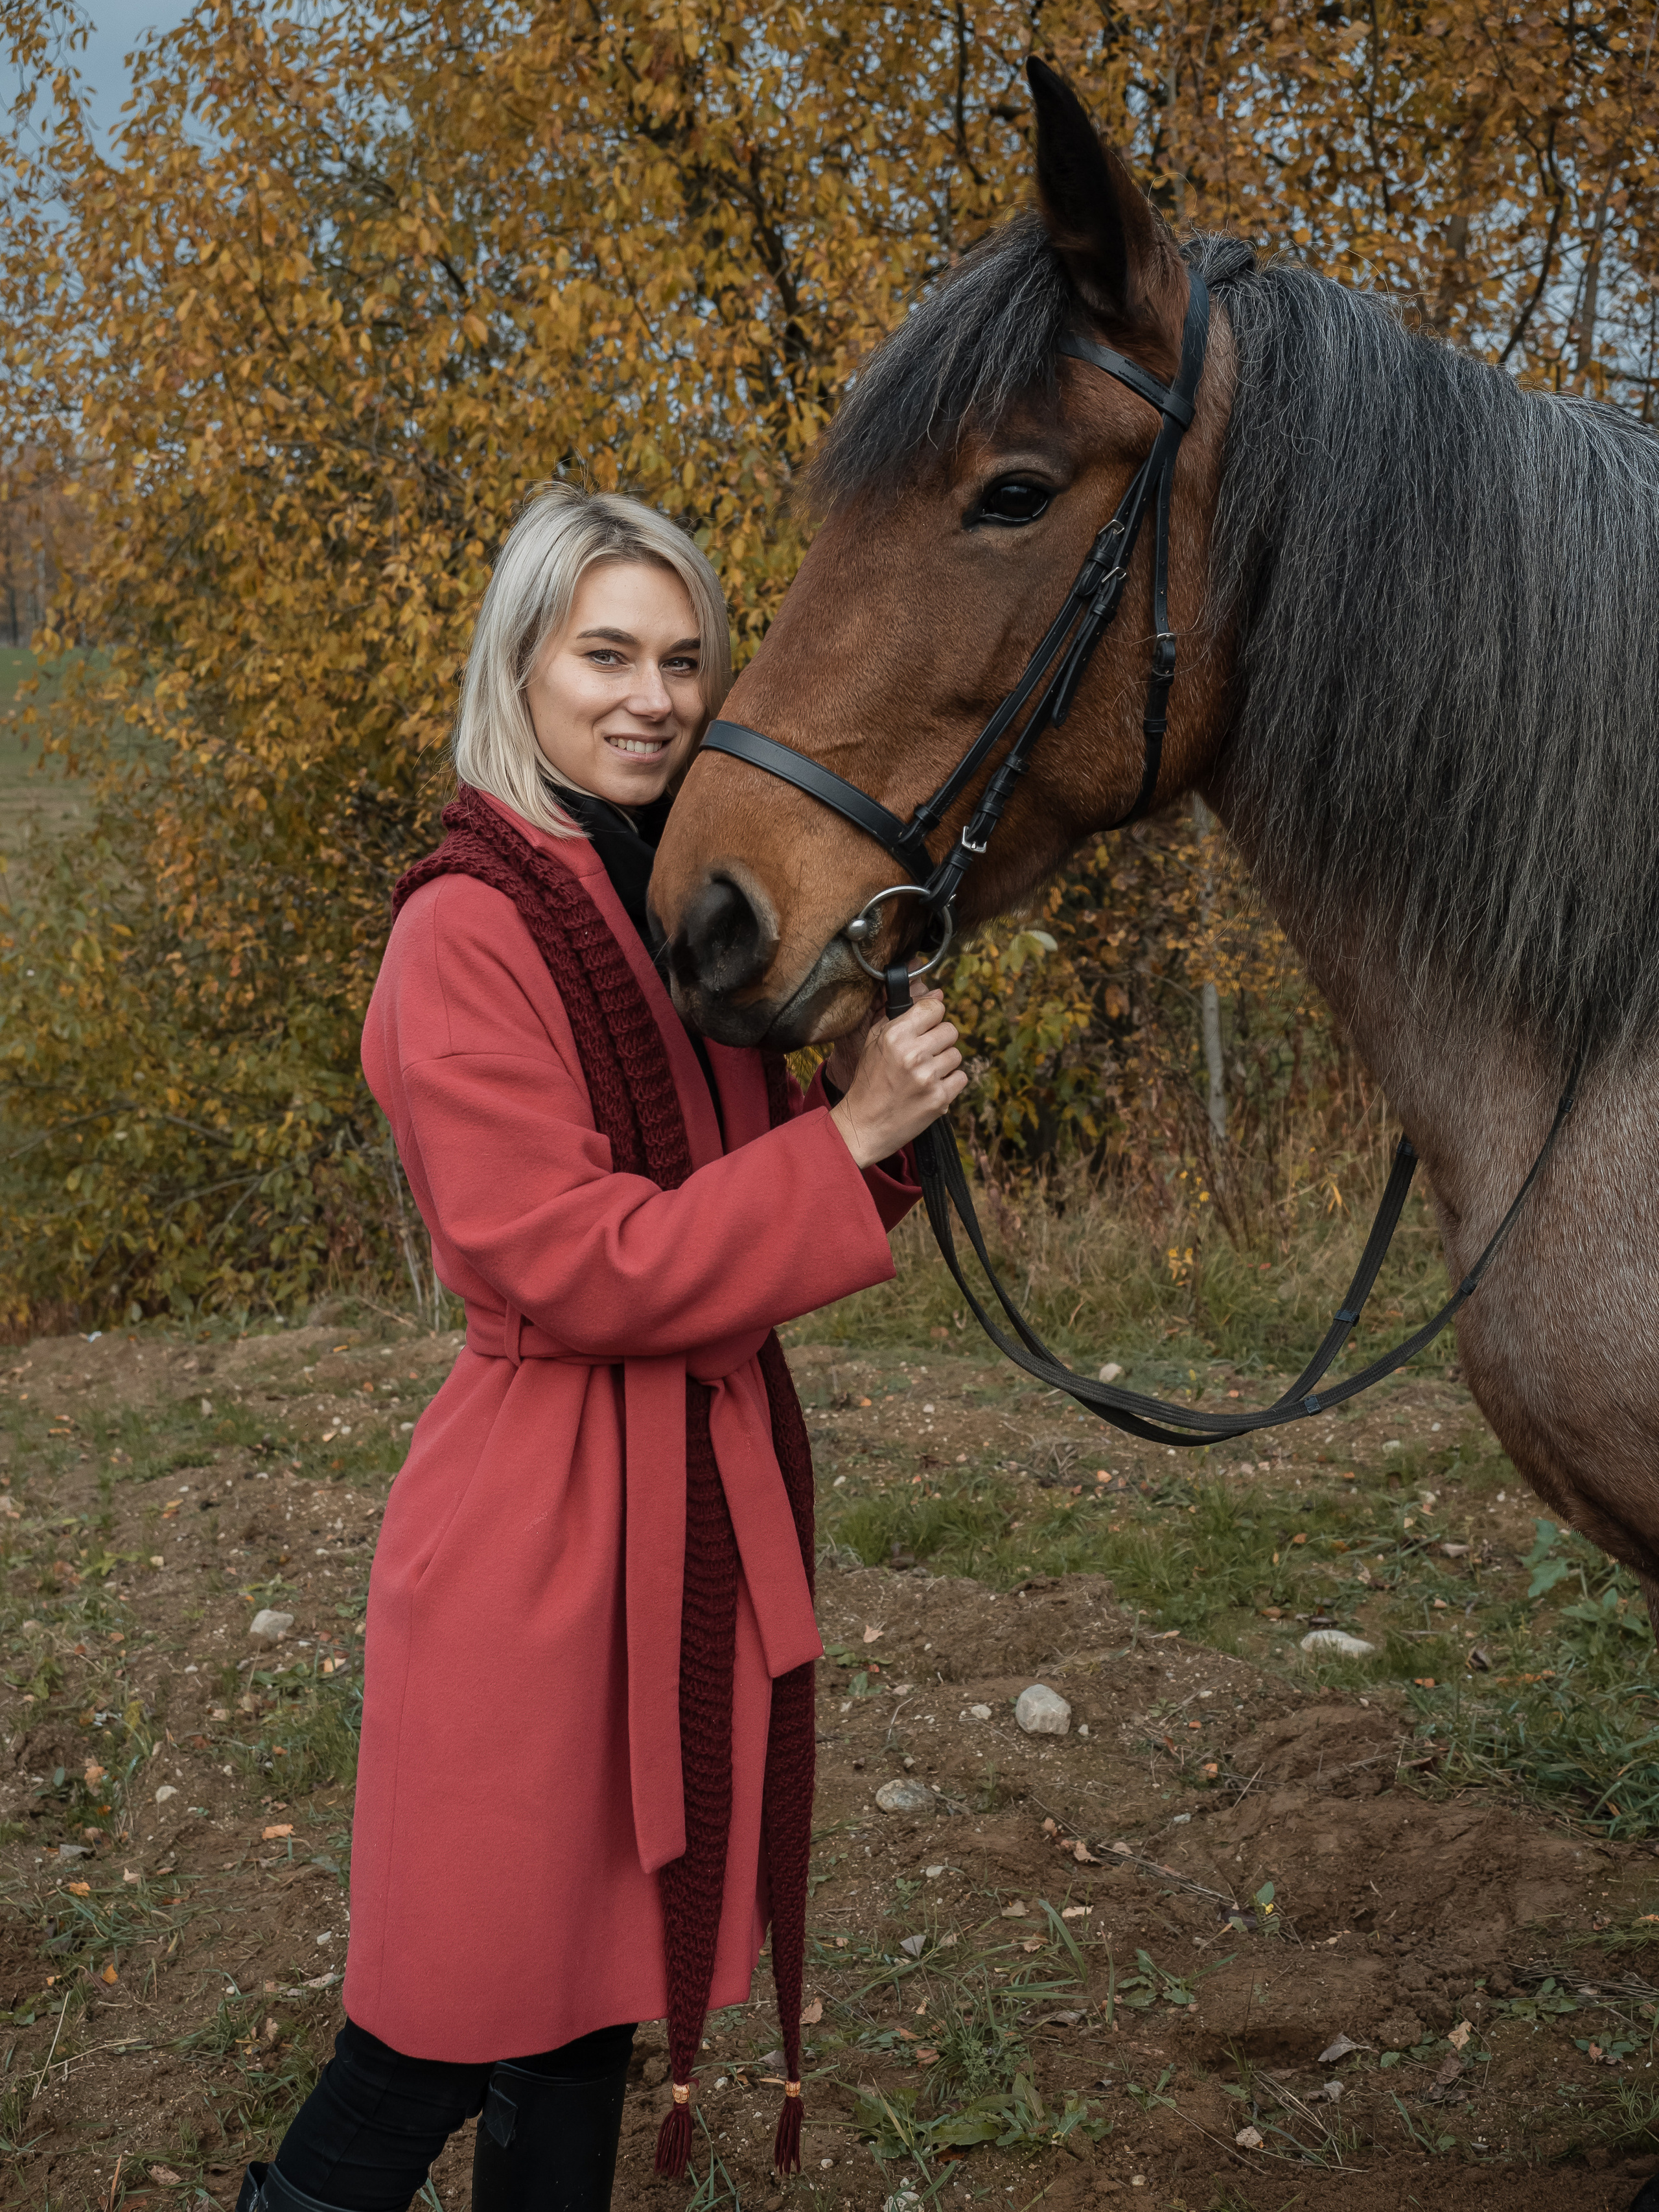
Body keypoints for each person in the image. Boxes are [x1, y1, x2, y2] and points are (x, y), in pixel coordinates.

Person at [236, 483, 966, 2212]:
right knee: (432, 2027)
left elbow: (738, 1222)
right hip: (537, 1542)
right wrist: (840, 1147)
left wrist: (880, 1089)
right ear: (526, 665)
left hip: (674, 1518)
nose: (654, 695)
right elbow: (575, 1263)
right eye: (609, 653)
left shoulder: (668, 920)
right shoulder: (467, 928)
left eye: (689, 661)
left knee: (584, 2012)